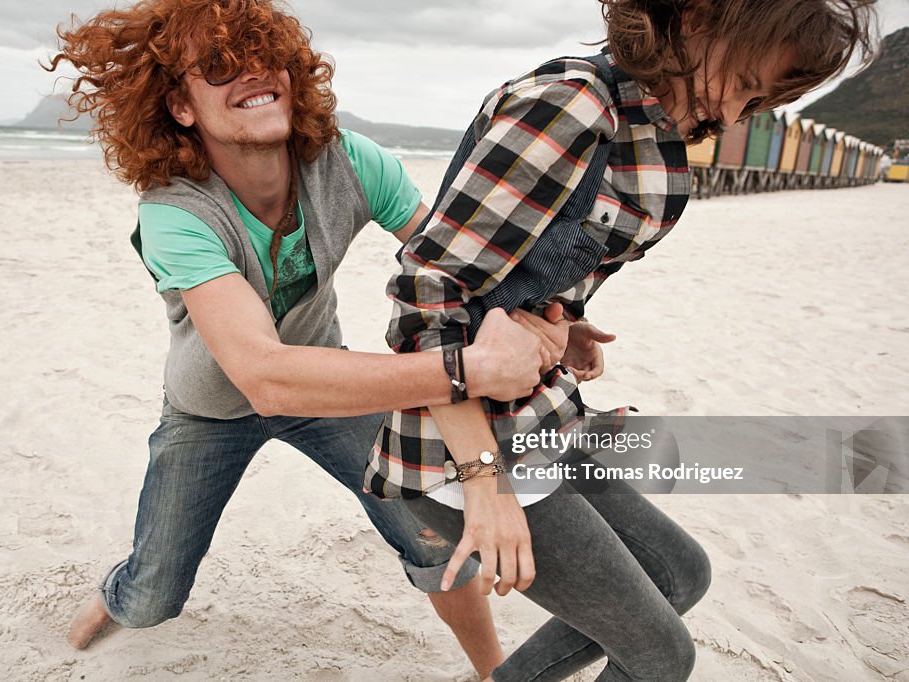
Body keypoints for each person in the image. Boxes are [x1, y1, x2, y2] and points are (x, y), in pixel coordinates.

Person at [46, 0, 571, 676]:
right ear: (180, 106)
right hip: (210, 410)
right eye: (219, 66)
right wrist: (469, 369)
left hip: (328, 388)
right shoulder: (175, 212)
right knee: (153, 600)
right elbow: (264, 375)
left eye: (266, 56)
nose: (252, 72)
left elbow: (460, 272)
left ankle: (493, 670)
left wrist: (550, 316)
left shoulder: (351, 163)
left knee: (432, 534)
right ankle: (117, 594)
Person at [365, 0, 878, 680]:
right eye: (742, 83)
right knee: (661, 655)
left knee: (683, 575)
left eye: (756, 103)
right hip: (464, 445)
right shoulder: (570, 104)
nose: (732, 116)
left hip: (538, 413)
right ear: (696, 18)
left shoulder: (647, 125)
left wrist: (562, 319)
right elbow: (426, 295)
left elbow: (514, 265)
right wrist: (487, 485)